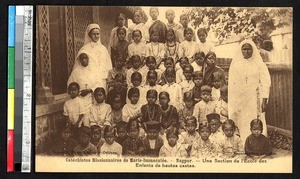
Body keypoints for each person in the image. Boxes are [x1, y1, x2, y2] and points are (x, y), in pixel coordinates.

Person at [228, 39, 271, 143]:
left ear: (253, 50)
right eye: (244, 49)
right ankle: (242, 143)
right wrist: (234, 101)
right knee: (242, 120)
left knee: (255, 119)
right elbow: (232, 84)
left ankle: (257, 144)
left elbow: (266, 82)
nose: (246, 52)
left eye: (249, 49)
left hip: (254, 97)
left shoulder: (259, 64)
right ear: (241, 50)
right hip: (240, 98)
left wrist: (264, 100)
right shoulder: (236, 65)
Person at [67, 50, 103, 114]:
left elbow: (99, 83)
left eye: (85, 58)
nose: (84, 60)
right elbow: (69, 84)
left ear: (88, 58)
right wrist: (78, 92)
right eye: (82, 58)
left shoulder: (94, 70)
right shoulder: (76, 71)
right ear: (79, 60)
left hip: (92, 97)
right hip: (80, 97)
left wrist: (89, 90)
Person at [79, 23, 112, 89]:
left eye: (98, 34)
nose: (96, 36)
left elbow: (108, 63)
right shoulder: (85, 48)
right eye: (93, 34)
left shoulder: (103, 48)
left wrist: (108, 77)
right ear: (89, 35)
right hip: (91, 78)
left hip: (102, 78)